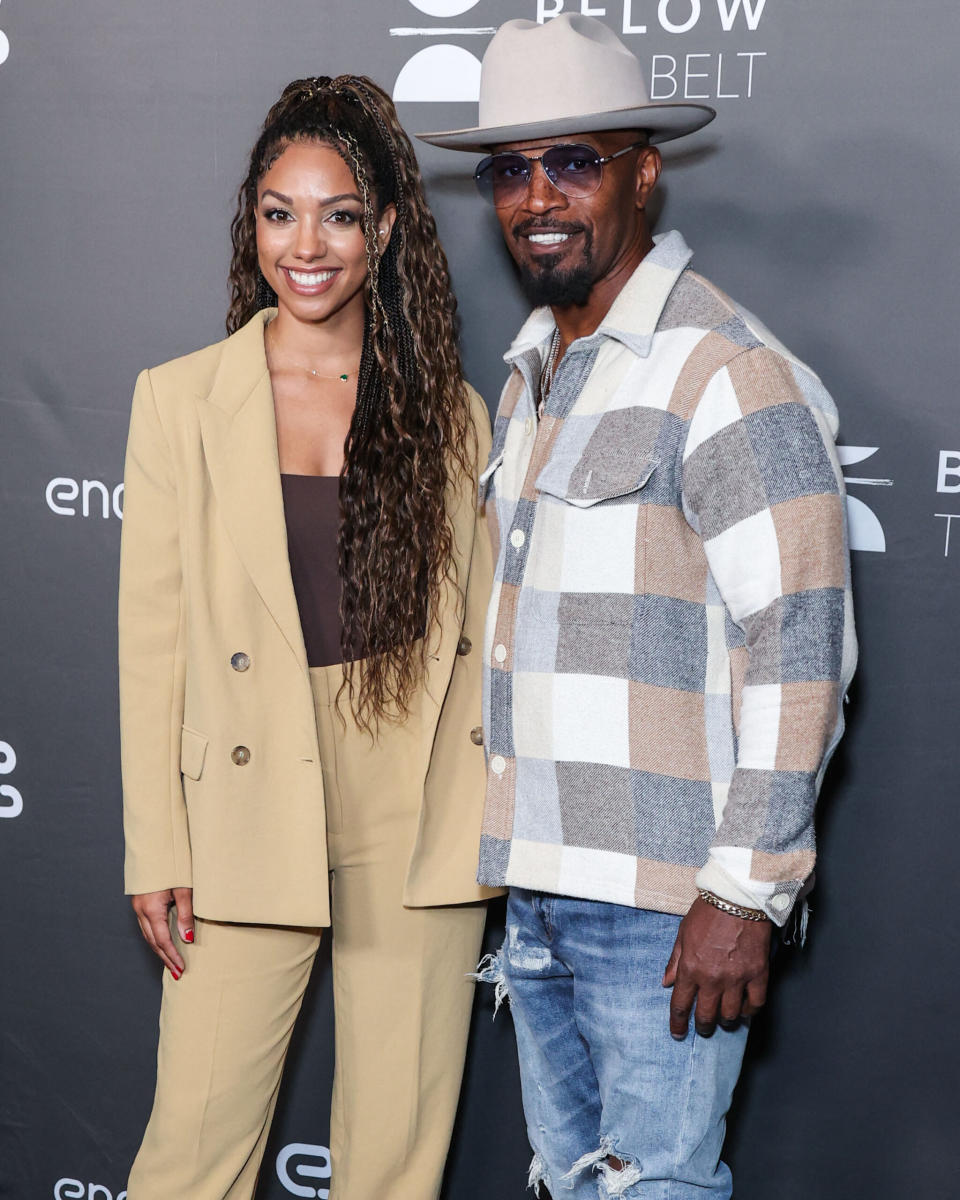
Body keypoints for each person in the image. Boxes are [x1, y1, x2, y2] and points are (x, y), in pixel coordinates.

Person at [419, 15, 857, 1199]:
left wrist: (743, 892)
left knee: (652, 1189)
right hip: (542, 891)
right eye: (511, 169)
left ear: (642, 172)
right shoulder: (535, 374)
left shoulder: (722, 368)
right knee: (571, 1184)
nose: (537, 196)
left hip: (664, 908)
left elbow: (801, 641)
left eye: (575, 160)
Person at [119, 74, 498, 1200]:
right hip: (242, 791)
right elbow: (151, 645)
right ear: (253, 221)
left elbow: (481, 632)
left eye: (338, 213)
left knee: (396, 1156)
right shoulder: (179, 401)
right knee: (192, 1151)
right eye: (279, 211)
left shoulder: (450, 410)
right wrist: (159, 846)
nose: (307, 243)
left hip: (416, 792)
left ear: (382, 228)